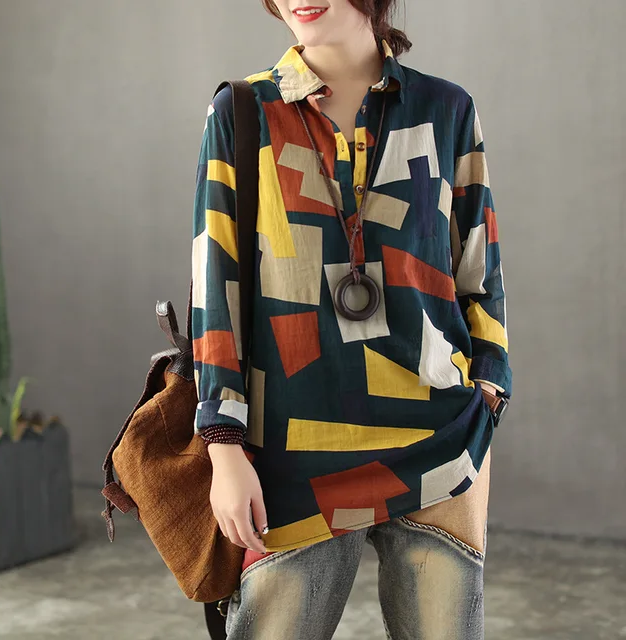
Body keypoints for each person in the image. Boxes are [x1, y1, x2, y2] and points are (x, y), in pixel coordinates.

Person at [191, 1, 512, 637]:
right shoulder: (244, 111)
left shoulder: (446, 109)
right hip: (289, 451)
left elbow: (479, 267)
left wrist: (489, 390)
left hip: (439, 440)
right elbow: (215, 284)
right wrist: (223, 443)